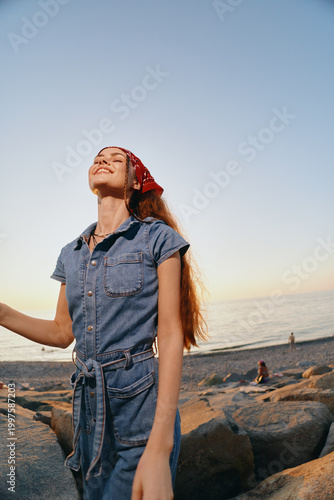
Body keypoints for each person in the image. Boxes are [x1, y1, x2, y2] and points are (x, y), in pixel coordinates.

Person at [0, 146, 207, 500]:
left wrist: (160, 445)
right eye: (98, 157)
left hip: (140, 407)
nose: (102, 160)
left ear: (133, 180)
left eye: (116, 158)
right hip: (88, 415)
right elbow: (62, 332)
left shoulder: (158, 238)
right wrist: (2, 313)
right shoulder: (71, 252)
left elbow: (171, 334)